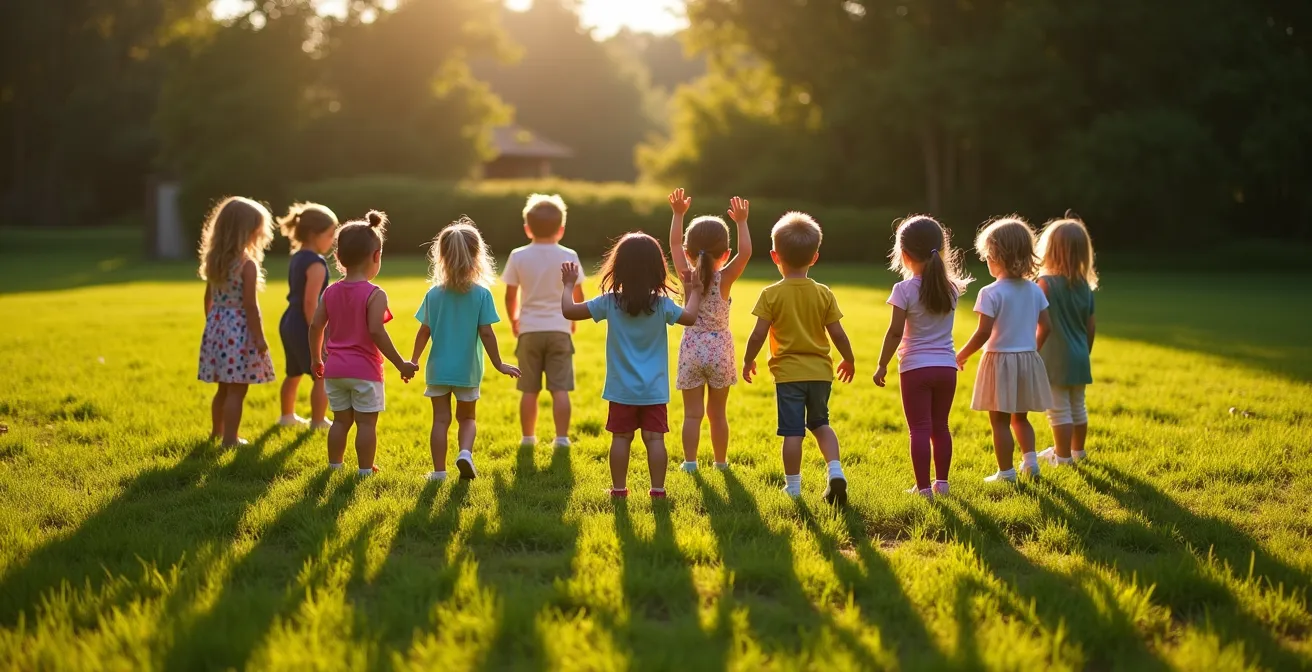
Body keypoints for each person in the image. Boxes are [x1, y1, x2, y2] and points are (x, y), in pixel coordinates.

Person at [560, 233, 703, 498]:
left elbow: (569, 311)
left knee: (621, 438)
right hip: (654, 391)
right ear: (658, 270)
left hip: (621, 390)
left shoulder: (610, 303)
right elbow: (691, 317)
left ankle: (618, 490)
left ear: (618, 268)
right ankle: (658, 491)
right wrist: (694, 291)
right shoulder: (662, 306)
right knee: (655, 440)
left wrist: (568, 284)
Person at [742, 212, 856, 505]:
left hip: (788, 374)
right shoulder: (823, 293)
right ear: (815, 257)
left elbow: (757, 335)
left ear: (774, 256)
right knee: (820, 423)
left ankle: (793, 488)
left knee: (792, 432)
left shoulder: (770, 294)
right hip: (820, 372)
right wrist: (849, 359)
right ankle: (835, 470)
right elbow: (839, 334)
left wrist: (748, 360)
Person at [411, 217, 521, 482]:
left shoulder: (433, 294)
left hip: (438, 369)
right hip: (467, 370)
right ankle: (464, 453)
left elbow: (423, 331)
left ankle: (438, 473)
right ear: (477, 255)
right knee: (467, 418)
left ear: (442, 257)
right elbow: (486, 332)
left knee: (440, 420)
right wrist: (499, 363)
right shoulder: (481, 294)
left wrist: (413, 360)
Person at [309, 211, 418, 476]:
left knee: (340, 421)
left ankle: (335, 467)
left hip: (334, 370)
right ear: (376, 256)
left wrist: (316, 359)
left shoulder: (331, 291)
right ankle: (365, 470)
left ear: (339, 257)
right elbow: (377, 332)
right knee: (366, 424)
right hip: (365, 372)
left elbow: (315, 326)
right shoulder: (375, 294)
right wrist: (401, 363)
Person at [874, 216, 972, 500]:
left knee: (919, 429)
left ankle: (924, 489)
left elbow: (894, 333)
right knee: (940, 426)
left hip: (915, 369)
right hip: (946, 368)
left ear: (904, 255)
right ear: (940, 250)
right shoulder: (951, 288)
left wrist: (881, 365)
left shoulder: (903, 290)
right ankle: (942, 484)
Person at [955, 217, 1053, 483]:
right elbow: (1046, 326)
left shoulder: (990, 293)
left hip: (1000, 361)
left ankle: (1006, 472)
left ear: (996, 255)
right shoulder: (1034, 290)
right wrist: (1033, 349)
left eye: (987, 256)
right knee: (1020, 418)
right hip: (1026, 359)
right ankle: (1031, 463)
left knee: (999, 421)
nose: (986, 260)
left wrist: (961, 355)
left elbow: (983, 332)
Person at [668, 188, 752, 472]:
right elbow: (746, 253)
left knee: (692, 415)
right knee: (718, 415)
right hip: (720, 352)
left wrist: (678, 214)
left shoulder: (686, 275)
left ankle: (690, 463)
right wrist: (741, 221)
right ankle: (720, 464)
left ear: (690, 253)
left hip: (691, 349)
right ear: (725, 253)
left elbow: (674, 246)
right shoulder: (726, 277)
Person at [502, 194, 584, 450]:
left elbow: (510, 295)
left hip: (529, 329)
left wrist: (514, 320)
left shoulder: (518, 256)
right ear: (561, 229)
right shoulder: (569, 254)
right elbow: (579, 294)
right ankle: (561, 439)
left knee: (529, 389)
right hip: (559, 329)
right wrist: (573, 320)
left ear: (527, 228)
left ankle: (528, 439)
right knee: (560, 389)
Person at [197, 196, 278, 447]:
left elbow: (208, 298)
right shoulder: (247, 265)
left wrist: (213, 325)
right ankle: (230, 439)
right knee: (237, 390)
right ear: (250, 231)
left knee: (222, 388)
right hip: (240, 331)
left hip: (218, 327)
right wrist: (260, 339)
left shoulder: (215, 261)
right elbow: (250, 306)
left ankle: (216, 433)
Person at [1035, 212, 1098, 466]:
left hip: (1055, 357)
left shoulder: (1045, 284)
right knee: (1078, 406)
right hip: (1080, 354)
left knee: (1058, 410)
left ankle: (1062, 457)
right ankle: (1077, 452)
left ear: (1049, 250)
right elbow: (1091, 326)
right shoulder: (1084, 285)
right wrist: (1085, 351)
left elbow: (1040, 322)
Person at [276, 202, 337, 430]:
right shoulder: (316, 264)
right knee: (322, 373)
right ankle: (319, 420)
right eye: (330, 235)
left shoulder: (297, 256)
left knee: (293, 372)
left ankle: (286, 416)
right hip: (305, 323)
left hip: (288, 321)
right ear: (314, 234)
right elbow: (311, 302)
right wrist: (318, 331)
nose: (332, 241)